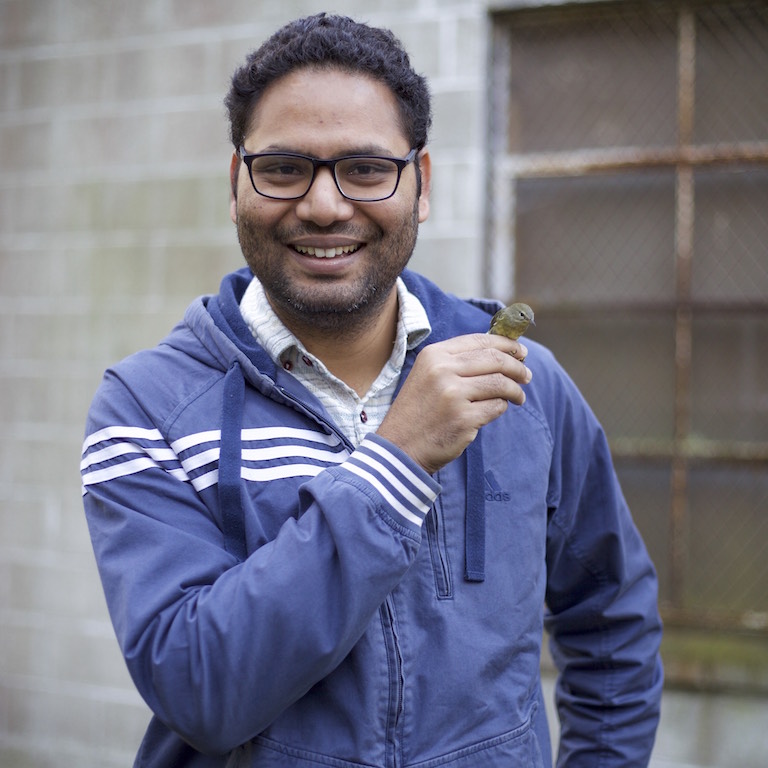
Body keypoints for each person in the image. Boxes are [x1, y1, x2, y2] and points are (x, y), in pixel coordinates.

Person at [80, 12, 663, 768]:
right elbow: (199, 691)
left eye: (365, 168)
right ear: (236, 184)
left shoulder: (527, 388)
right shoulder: (146, 408)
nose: (324, 205)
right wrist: (396, 461)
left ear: (421, 185)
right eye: (285, 167)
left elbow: (611, 621)